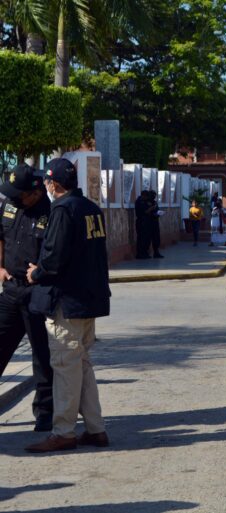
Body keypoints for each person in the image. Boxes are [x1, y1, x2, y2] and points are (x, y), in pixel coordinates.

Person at [24, 158, 111, 453]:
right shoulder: (91, 209)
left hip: (67, 301)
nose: (46, 186)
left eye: (47, 181)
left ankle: (63, 431)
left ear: (53, 184)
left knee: (65, 366)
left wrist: (36, 273)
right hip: (89, 299)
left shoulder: (62, 210)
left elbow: (54, 257)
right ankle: (95, 428)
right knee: (82, 364)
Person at [0, 164, 54, 432]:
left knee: (42, 357)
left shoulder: (52, 212)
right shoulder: (9, 206)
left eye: (18, 194)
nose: (12, 199)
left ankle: (45, 412)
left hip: (37, 294)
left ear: (35, 191)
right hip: (10, 290)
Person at [134, 190, 151, 259]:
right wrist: (150, 209)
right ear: (143, 196)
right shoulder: (139, 202)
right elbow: (144, 212)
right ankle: (140, 254)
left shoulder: (145, 201)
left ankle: (144, 253)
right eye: (146, 197)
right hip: (141, 221)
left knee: (146, 238)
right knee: (141, 238)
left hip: (145, 221)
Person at [147, 190, 163, 258]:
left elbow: (157, 210)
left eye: (154, 195)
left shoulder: (155, 202)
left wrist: (159, 213)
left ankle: (156, 252)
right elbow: (145, 212)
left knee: (156, 237)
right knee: (147, 238)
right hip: (148, 222)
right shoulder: (146, 202)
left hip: (155, 222)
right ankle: (146, 252)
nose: (154, 197)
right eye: (152, 195)